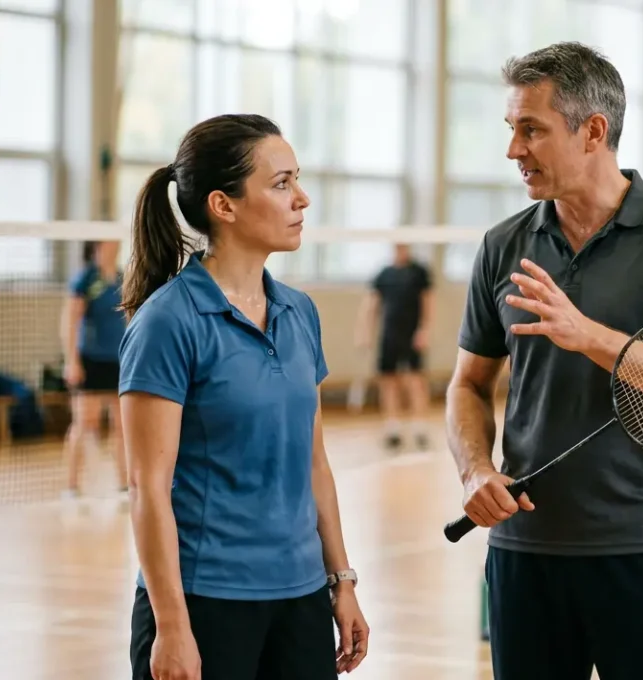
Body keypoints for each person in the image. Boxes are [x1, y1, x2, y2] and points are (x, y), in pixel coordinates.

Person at [447, 42, 643, 680]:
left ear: (593, 131)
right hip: (524, 553)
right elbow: (468, 383)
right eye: (512, 130)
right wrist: (473, 472)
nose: (514, 150)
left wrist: (587, 334)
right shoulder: (503, 246)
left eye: (531, 130)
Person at [117, 113, 369, 680]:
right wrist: (173, 627)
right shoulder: (168, 323)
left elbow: (314, 463)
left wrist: (342, 581)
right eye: (281, 184)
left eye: (297, 179)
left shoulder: (300, 312)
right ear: (223, 205)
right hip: (206, 602)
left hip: (301, 599)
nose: (301, 198)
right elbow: (147, 489)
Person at [59, 239, 128, 497]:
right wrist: (72, 360)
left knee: (123, 426)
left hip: (119, 361)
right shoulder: (85, 279)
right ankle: (71, 486)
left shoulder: (122, 278)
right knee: (85, 422)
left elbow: (130, 318)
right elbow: (70, 321)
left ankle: (124, 485)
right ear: (98, 244)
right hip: (91, 360)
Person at [355, 243, 434, 451]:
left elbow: (428, 302)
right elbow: (371, 304)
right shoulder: (384, 274)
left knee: (416, 379)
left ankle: (420, 427)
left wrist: (424, 329)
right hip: (389, 335)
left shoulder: (419, 272)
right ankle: (393, 428)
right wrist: (365, 332)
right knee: (388, 379)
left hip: (412, 334)